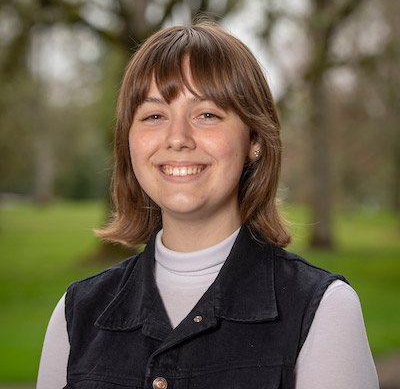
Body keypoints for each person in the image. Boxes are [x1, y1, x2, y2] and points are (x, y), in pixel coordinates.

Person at [37, 21, 379, 389]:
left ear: (255, 139)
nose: (178, 138)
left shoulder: (324, 310)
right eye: (154, 116)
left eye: (207, 115)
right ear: (129, 143)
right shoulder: (76, 314)